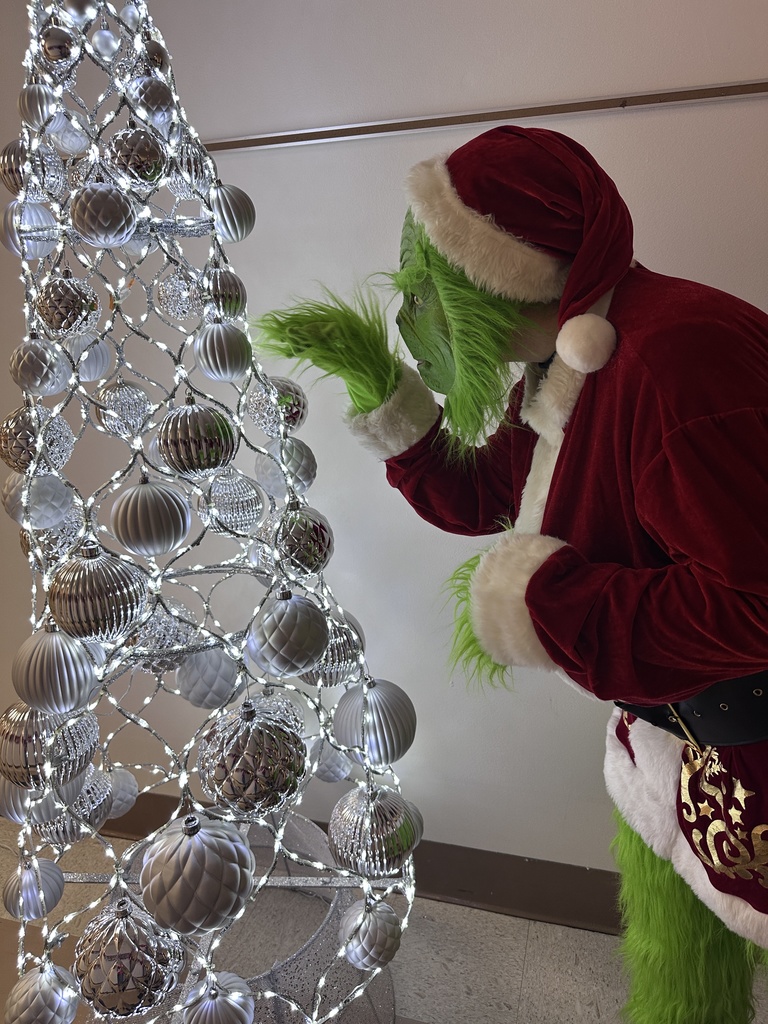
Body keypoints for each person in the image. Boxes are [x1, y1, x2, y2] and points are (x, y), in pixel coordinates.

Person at [256, 125, 768, 1024]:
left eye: (427, 287)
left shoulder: (676, 360)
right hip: (671, 740)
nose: (414, 312)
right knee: (682, 964)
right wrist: (385, 393)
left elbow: (753, 603)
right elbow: (496, 491)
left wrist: (547, 604)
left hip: (748, 749)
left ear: (504, 274)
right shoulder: (568, 355)